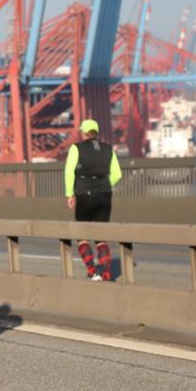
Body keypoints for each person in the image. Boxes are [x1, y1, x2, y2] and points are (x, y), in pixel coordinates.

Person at [64, 119, 122, 281]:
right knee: (100, 236)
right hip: (105, 194)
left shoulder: (76, 149)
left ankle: (93, 271)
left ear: (83, 132)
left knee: (82, 236)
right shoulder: (108, 149)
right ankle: (106, 273)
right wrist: (102, 184)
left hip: (84, 194)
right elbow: (117, 174)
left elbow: (69, 172)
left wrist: (70, 194)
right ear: (96, 132)